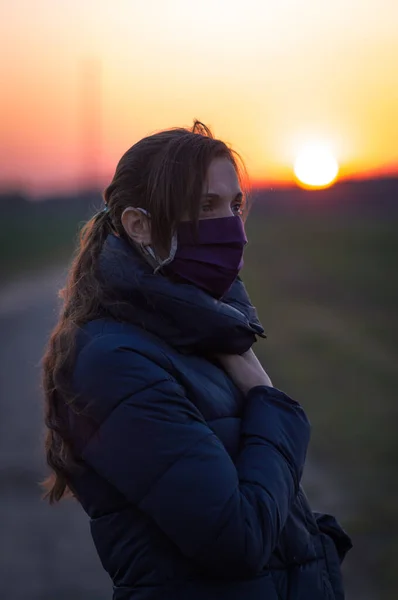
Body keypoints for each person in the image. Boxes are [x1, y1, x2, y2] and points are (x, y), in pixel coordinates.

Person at [42, 121, 352, 599]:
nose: (230, 226)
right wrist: (267, 398)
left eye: (235, 205)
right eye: (206, 206)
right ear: (138, 225)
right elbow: (239, 539)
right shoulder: (113, 362)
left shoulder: (200, 330)